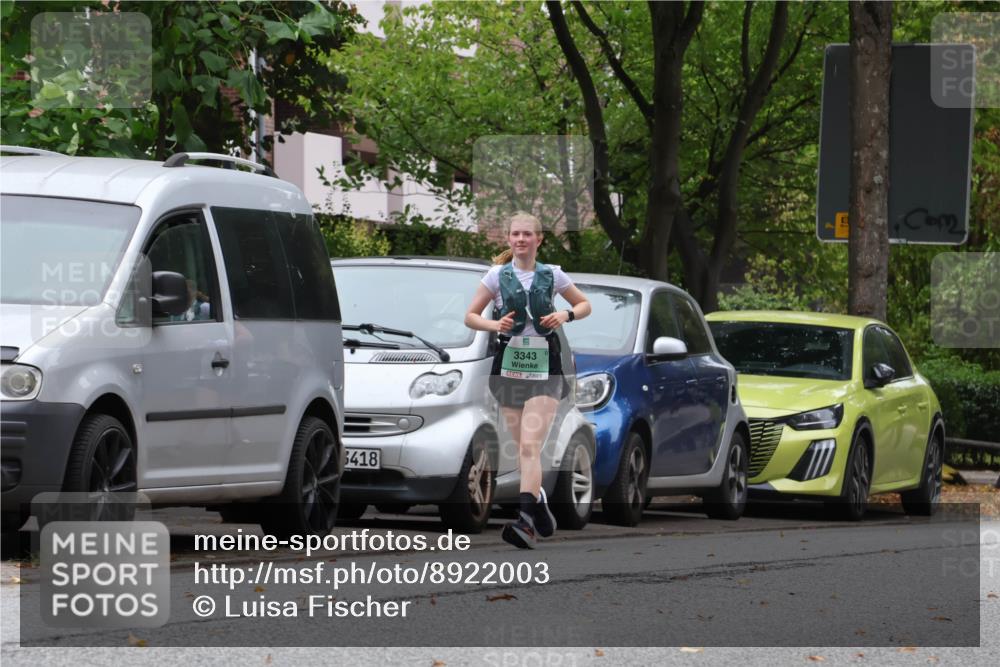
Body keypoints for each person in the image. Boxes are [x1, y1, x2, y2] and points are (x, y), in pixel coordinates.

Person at [464, 212, 591, 548]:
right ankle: (540, 505)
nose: (520, 240)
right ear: (508, 239)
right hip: (509, 367)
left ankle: (525, 523)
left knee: (530, 446)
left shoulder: (553, 275)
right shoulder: (495, 276)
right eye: (515, 234)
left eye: (527, 235)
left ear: (539, 240)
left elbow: (584, 305)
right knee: (523, 450)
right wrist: (495, 326)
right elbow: (471, 316)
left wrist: (565, 314)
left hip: (545, 368)